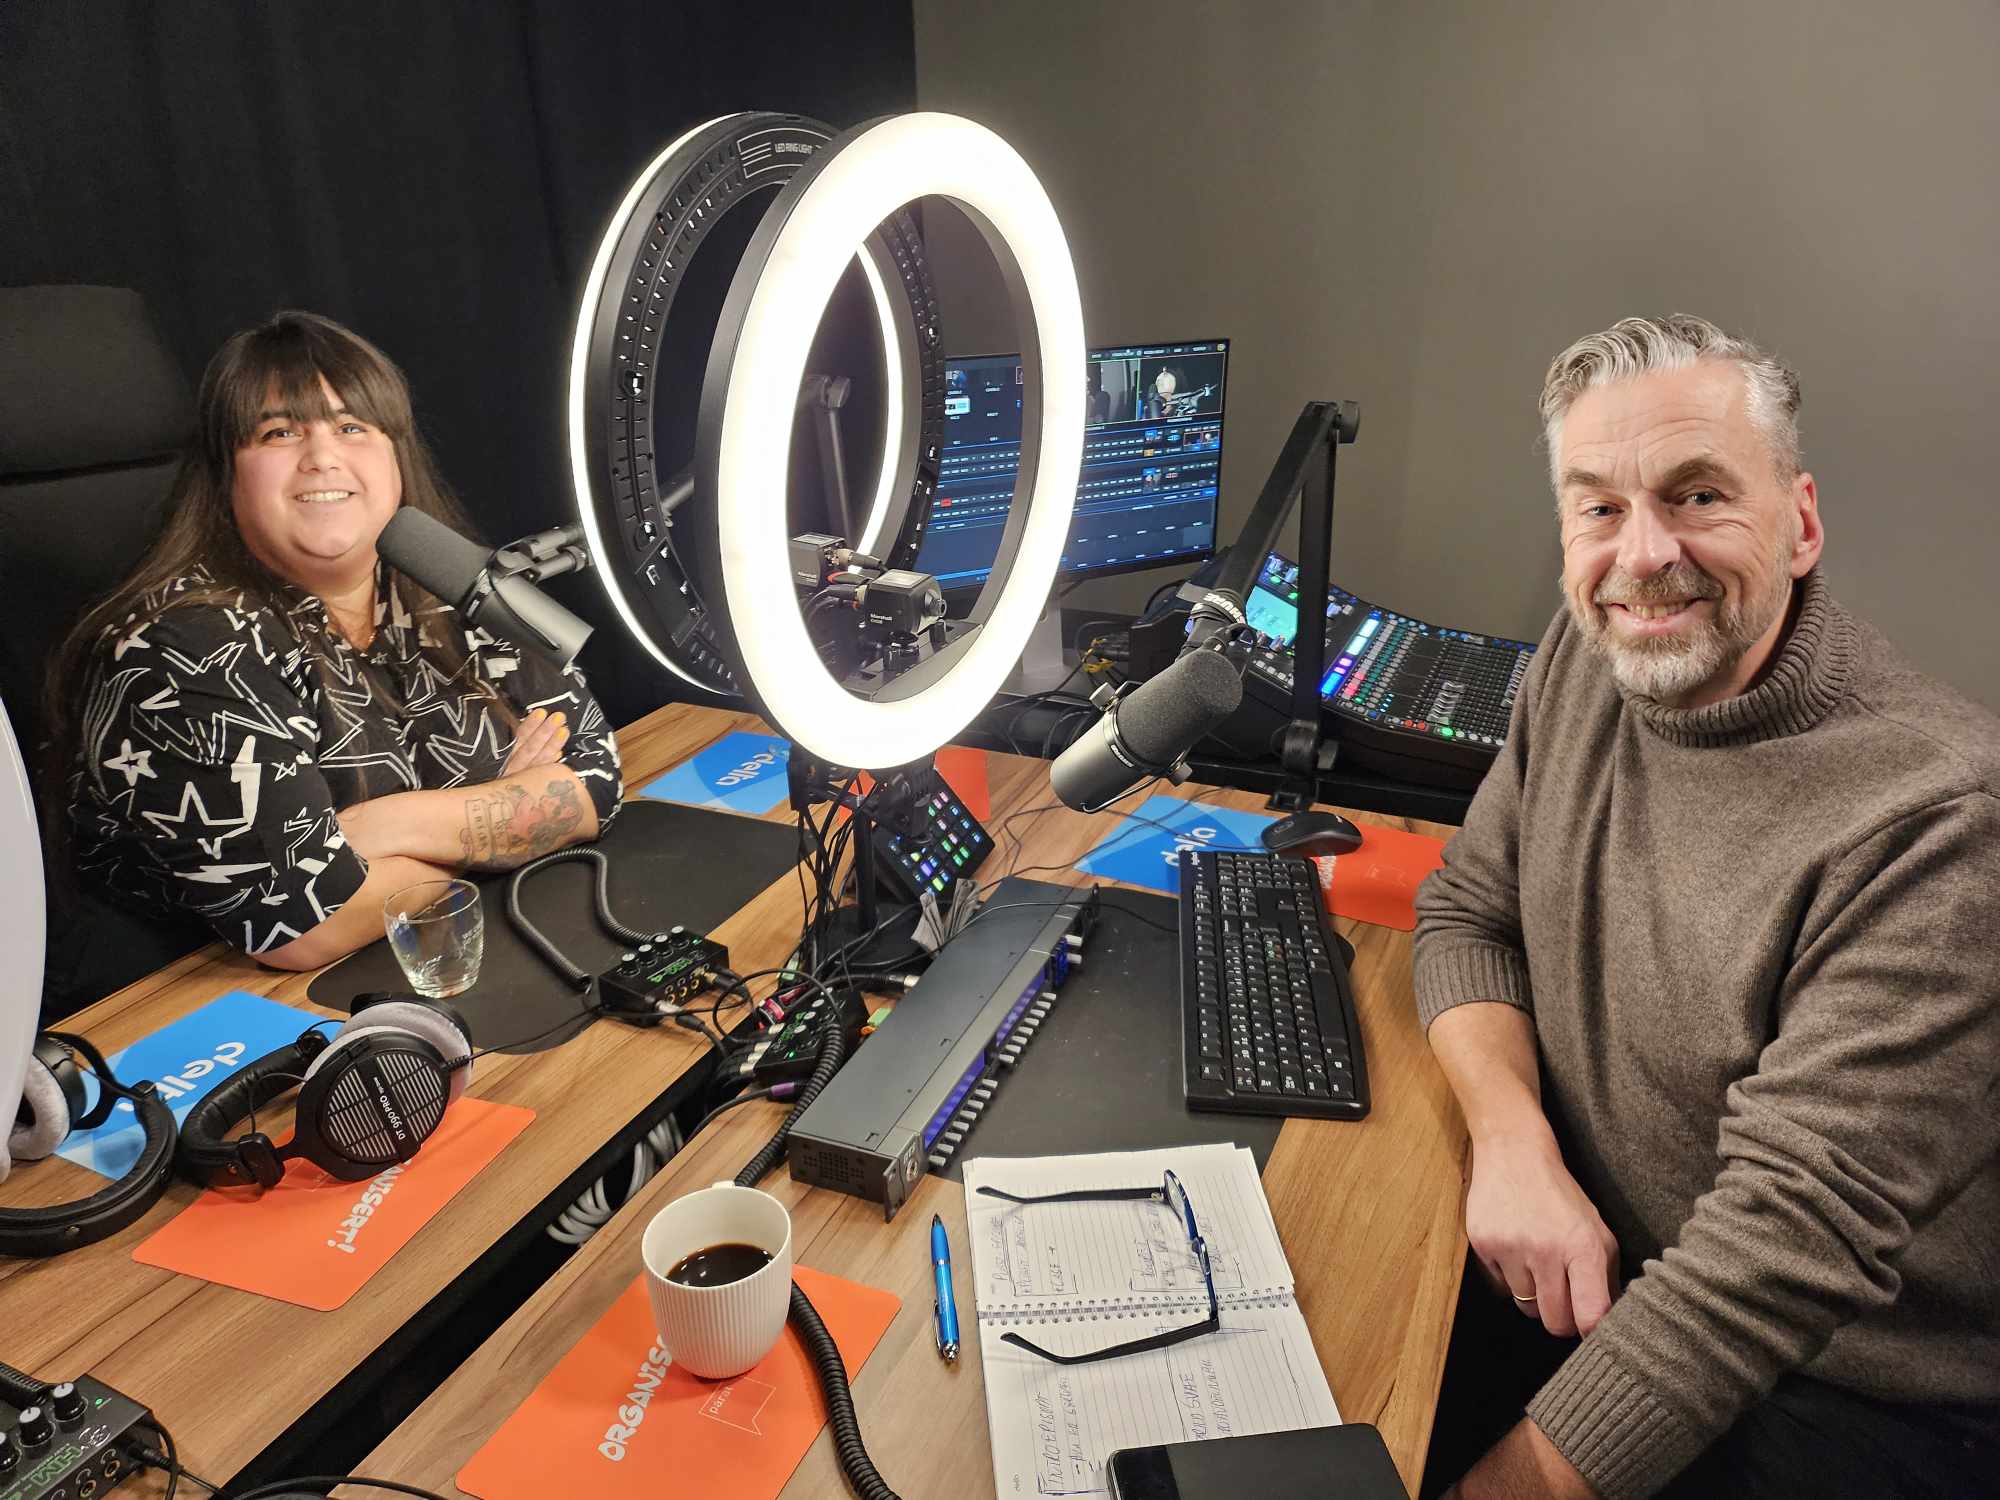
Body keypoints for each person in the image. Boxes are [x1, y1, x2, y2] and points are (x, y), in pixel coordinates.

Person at [1415, 315, 1998, 1499]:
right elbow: (1466, 913)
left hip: (1839, 1385)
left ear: (1798, 522)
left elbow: (1769, 1262)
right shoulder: (1588, 663)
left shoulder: (1938, 814)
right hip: (1605, 1264)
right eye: (1596, 507)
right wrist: (1511, 1139)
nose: (1639, 558)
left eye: (1694, 496)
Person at [49, 311, 623, 973]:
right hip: (205, 1006)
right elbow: (304, 921)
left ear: (395, 455)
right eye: (279, 432)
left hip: (436, 953)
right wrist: (500, 822)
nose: (323, 455)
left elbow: (596, 776)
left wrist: (385, 829)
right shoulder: (185, 648)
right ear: (227, 472)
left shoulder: (445, 581)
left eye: (352, 426)